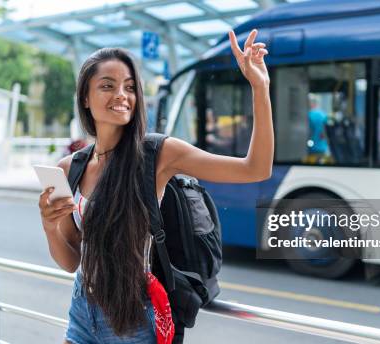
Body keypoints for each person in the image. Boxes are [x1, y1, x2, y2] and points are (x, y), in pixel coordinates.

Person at [38, 29, 272, 344]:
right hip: (82, 311)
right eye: (107, 85)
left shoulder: (158, 153)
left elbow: (255, 168)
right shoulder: (69, 168)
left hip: (133, 316)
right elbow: (70, 262)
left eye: (130, 86)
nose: (121, 94)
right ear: (85, 97)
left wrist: (260, 86)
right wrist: (49, 225)